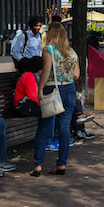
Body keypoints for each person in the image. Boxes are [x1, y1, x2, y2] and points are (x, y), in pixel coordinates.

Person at [31, 23, 78, 176]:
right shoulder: (72, 52)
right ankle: (61, 164)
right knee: (64, 128)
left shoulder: (48, 50)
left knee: (44, 127)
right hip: (70, 89)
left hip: (52, 89)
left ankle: (38, 165)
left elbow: (46, 70)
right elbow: (76, 75)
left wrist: (40, 88)